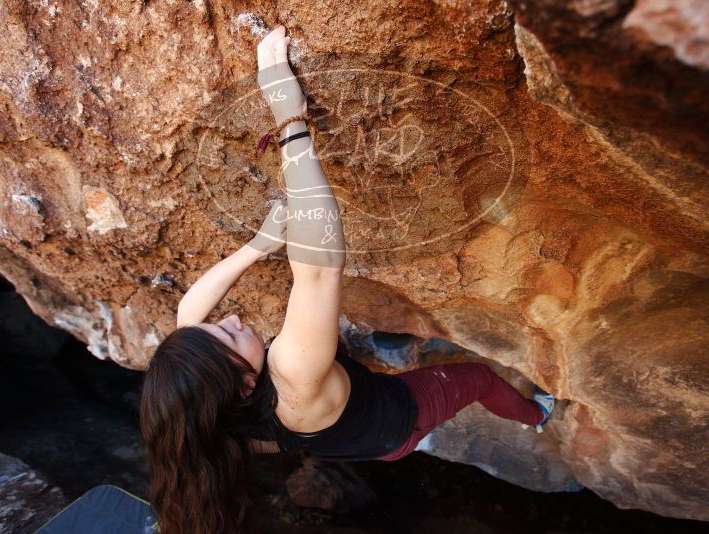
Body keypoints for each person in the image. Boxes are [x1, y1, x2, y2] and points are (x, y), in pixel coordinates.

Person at [139, 25, 555, 534]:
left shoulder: (222, 404)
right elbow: (317, 269)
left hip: (350, 433)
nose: (227, 318)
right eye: (227, 333)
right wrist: (287, 116)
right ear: (246, 382)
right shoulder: (291, 368)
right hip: (397, 424)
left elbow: (188, 315)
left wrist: (257, 247)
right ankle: (538, 416)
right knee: (479, 380)